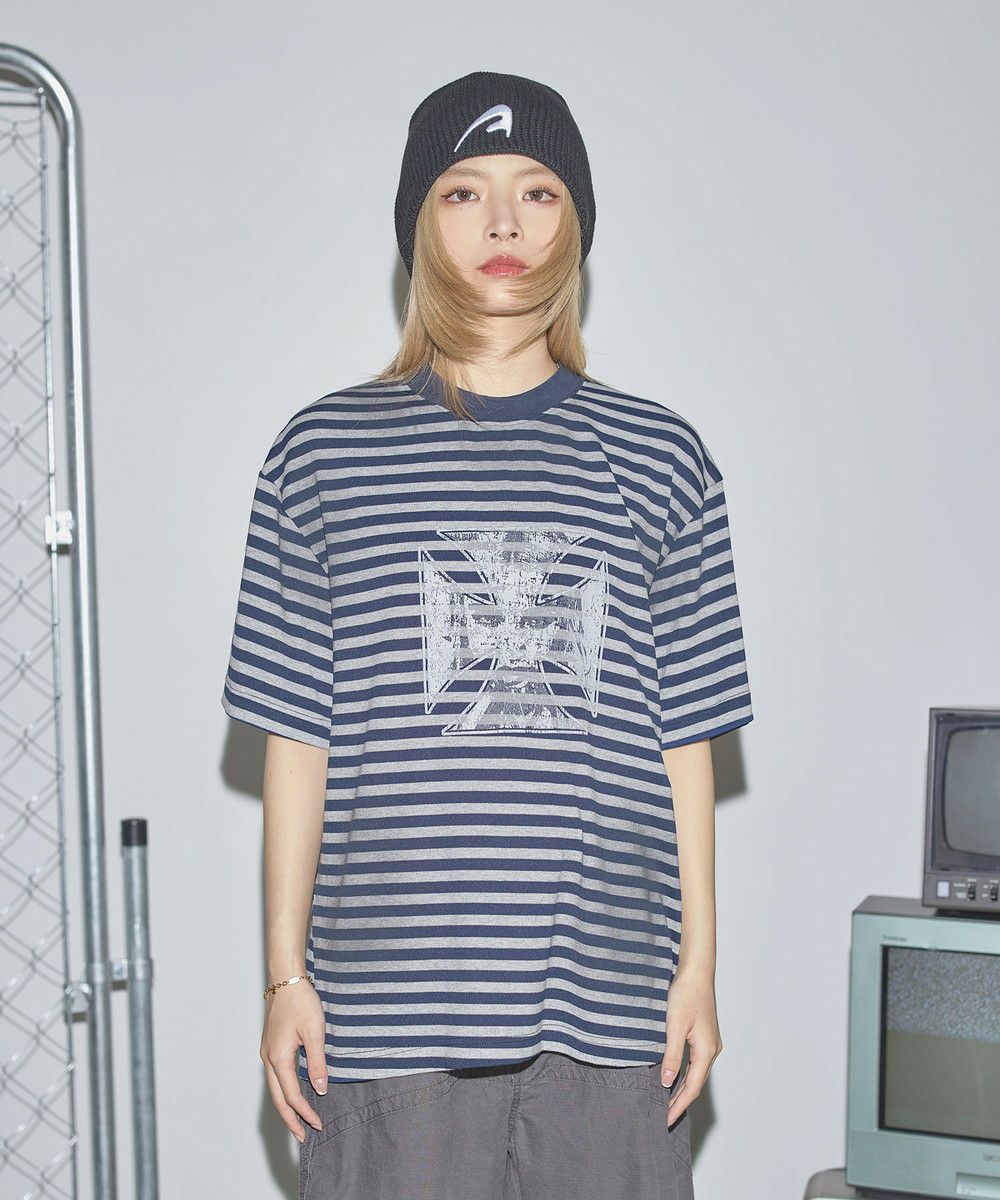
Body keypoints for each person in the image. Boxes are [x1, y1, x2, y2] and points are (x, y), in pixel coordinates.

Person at [221, 70, 754, 1200]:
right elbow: (296, 737)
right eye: (463, 191)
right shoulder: (323, 453)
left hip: (609, 1008)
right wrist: (284, 978)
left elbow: (688, 740)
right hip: (385, 1015)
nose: (503, 224)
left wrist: (698, 971)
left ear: (576, 223)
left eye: (538, 191)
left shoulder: (663, 458)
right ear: (419, 222)